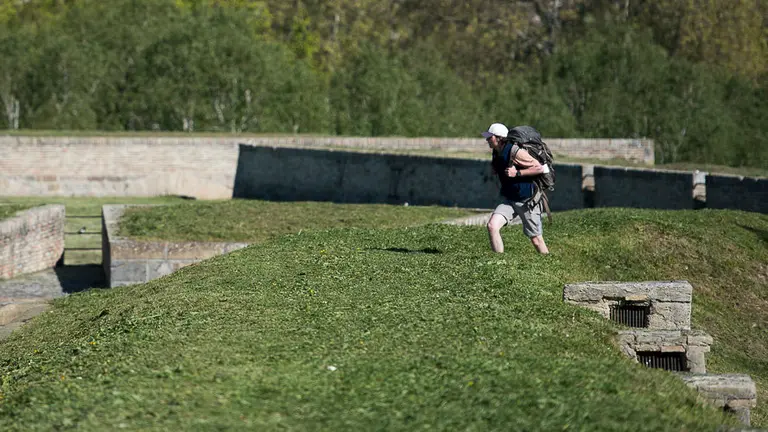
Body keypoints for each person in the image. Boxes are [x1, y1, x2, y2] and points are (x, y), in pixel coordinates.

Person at [481, 123, 549, 254]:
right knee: (492, 226)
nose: (487, 139)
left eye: (490, 137)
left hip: (527, 200)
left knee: (536, 239)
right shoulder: (496, 152)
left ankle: (549, 262)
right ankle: (498, 261)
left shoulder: (516, 151)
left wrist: (517, 173)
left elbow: (539, 168)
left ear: (499, 138)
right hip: (510, 199)